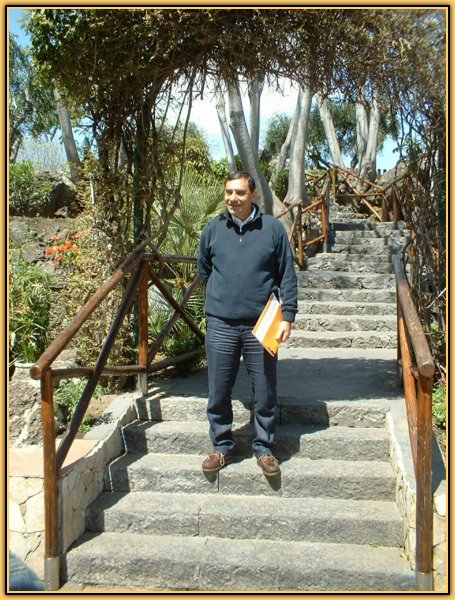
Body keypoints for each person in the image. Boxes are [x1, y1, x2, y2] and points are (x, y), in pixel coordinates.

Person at [197, 172, 297, 477]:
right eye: (228, 192)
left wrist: (288, 316)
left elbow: (287, 274)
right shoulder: (213, 229)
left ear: (254, 195)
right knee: (218, 389)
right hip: (221, 324)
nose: (233, 198)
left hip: (262, 323)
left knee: (265, 389)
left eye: (240, 192)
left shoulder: (273, 229)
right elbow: (204, 270)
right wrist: (223, 298)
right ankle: (222, 446)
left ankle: (264, 448)